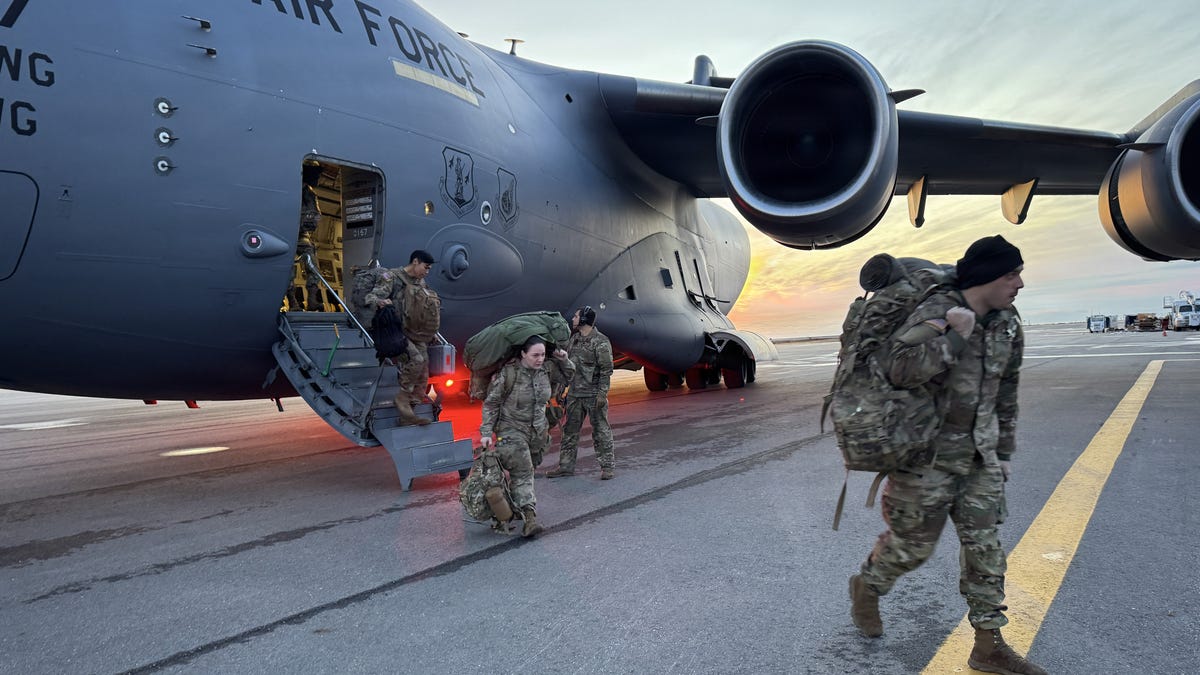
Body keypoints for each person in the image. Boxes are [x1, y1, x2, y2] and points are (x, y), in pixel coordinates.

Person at [848, 235, 1046, 675]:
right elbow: (897, 371)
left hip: (980, 457)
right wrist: (955, 338)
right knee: (912, 550)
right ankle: (868, 585)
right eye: (1012, 274)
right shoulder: (938, 310)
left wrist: (1005, 449)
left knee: (985, 549)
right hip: (925, 459)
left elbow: (1007, 390)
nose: (1019, 284)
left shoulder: (1007, 322)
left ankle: (988, 645)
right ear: (988, 277)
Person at [479, 336, 574, 537]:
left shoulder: (546, 370)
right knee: (523, 472)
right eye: (534, 355)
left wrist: (564, 359)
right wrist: (486, 432)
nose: (539, 359)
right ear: (523, 354)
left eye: (542, 354)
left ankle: (503, 513)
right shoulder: (509, 374)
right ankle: (529, 519)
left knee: (524, 472)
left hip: (538, 432)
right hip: (511, 430)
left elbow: (569, 376)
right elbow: (491, 403)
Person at [365, 250, 440, 426]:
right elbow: (371, 297)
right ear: (415, 261)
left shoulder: (420, 282)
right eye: (425, 267)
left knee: (423, 373)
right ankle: (402, 398)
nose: (427, 272)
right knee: (417, 359)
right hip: (396, 332)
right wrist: (381, 302)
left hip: (416, 332)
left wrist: (431, 331)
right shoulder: (391, 277)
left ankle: (409, 414)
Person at [547, 306, 615, 480]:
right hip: (575, 395)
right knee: (569, 431)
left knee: (601, 431)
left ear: (584, 319)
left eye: (576, 316)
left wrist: (602, 394)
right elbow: (566, 366)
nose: (573, 319)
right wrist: (561, 390)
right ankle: (565, 466)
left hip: (593, 395)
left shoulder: (600, 341)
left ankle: (607, 467)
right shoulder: (574, 340)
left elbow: (606, 369)